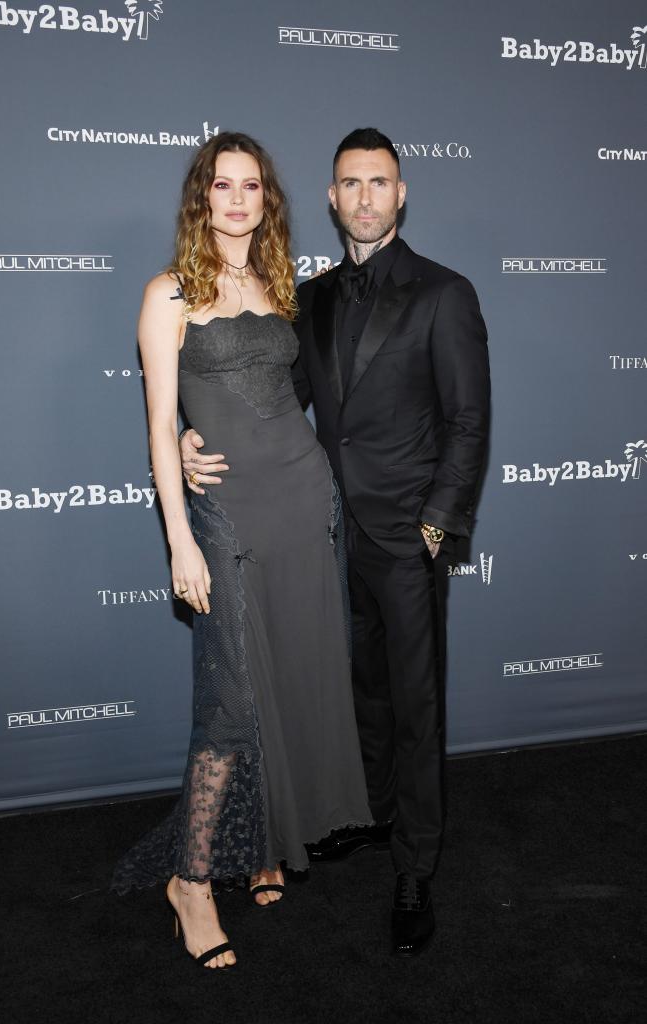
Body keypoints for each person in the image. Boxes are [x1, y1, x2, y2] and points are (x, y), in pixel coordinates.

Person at [181, 127, 490, 957]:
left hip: (406, 538)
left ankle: (415, 867)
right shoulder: (308, 297)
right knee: (361, 694)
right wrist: (186, 435)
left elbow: (466, 422)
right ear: (330, 197)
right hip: (322, 537)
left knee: (416, 703)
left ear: (399, 194)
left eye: (377, 183)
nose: (362, 198)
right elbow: (264, 401)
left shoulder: (442, 292)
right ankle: (371, 812)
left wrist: (435, 524)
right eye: (348, 184)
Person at [112, 132, 372, 969]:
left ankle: (267, 843)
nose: (236, 199)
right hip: (226, 519)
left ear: (267, 200)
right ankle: (190, 882)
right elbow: (158, 428)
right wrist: (179, 535)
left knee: (291, 682)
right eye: (221, 185)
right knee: (228, 705)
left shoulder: (279, 286)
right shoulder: (167, 293)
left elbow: (287, 398)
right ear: (202, 198)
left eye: (250, 186)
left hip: (303, 502)